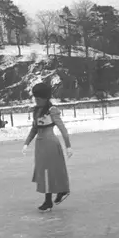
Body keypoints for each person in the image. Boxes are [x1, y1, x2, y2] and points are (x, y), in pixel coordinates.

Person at [22, 82, 73, 212]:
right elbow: (34, 129)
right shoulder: (36, 111)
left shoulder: (52, 111)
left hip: (50, 144)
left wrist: (68, 146)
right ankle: (58, 193)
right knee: (44, 172)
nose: (36, 100)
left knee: (50, 171)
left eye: (38, 98)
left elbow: (63, 129)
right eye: (35, 98)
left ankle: (49, 200)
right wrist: (26, 143)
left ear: (45, 98)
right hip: (40, 145)